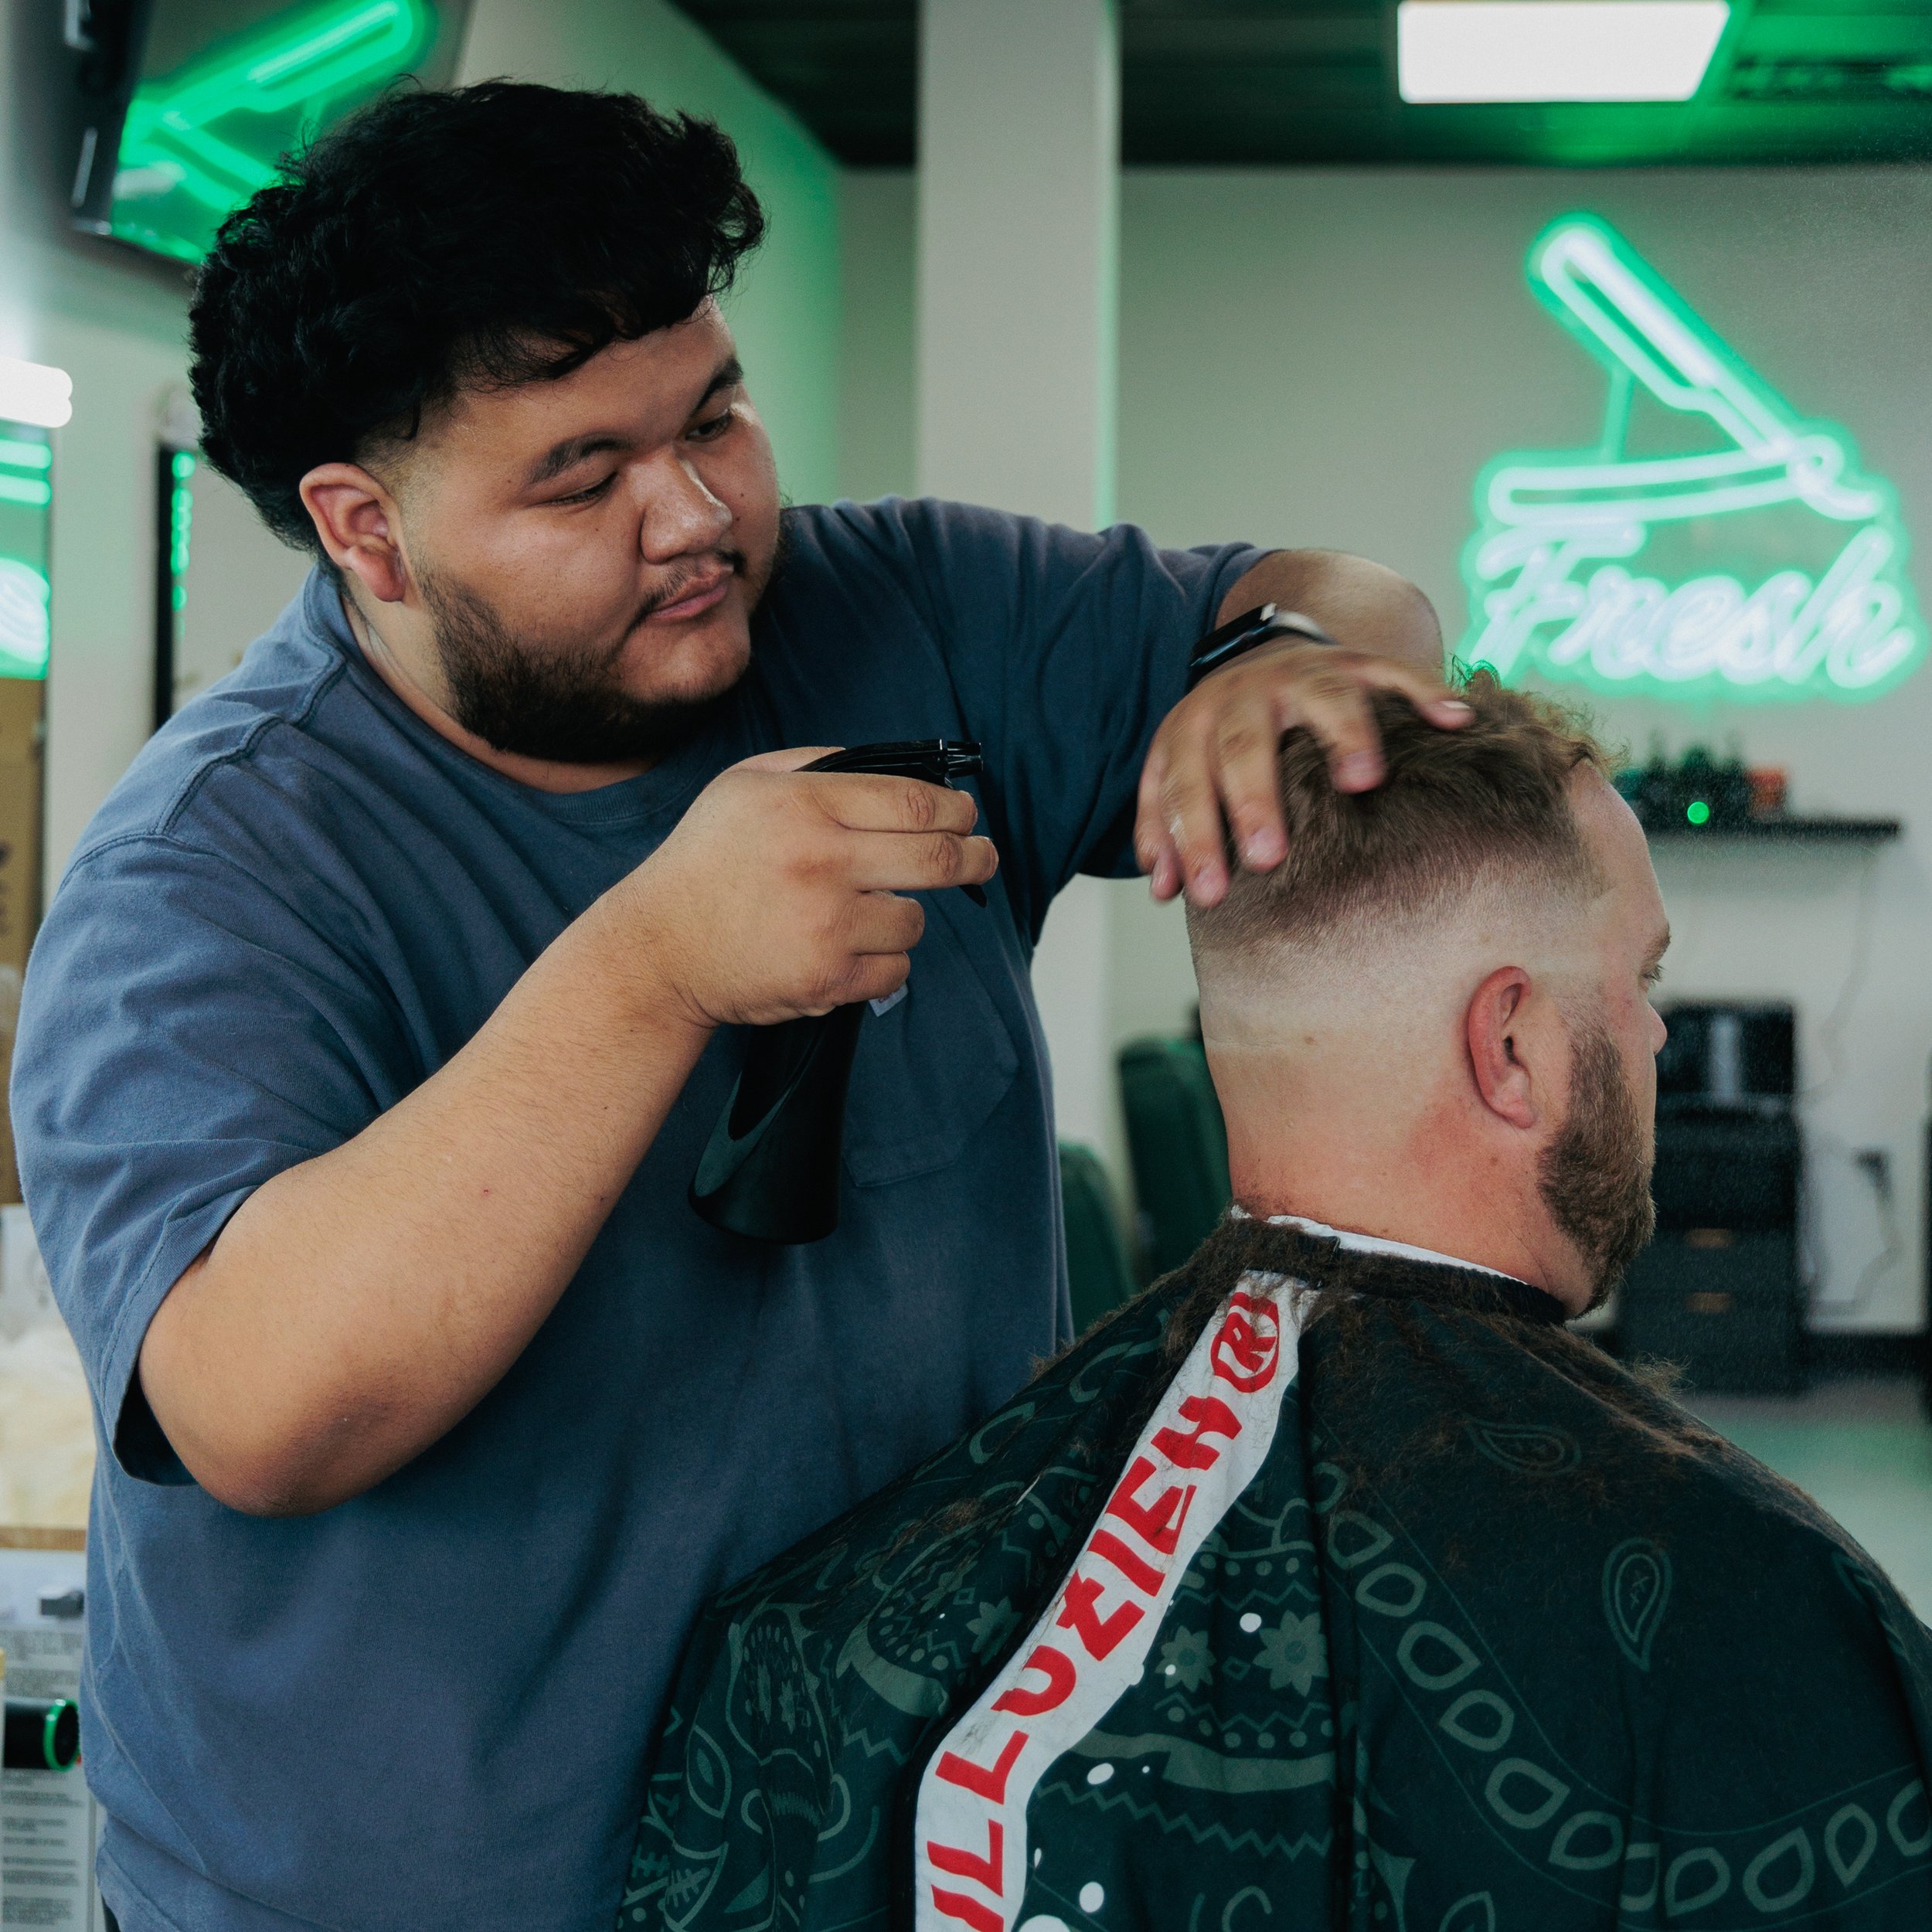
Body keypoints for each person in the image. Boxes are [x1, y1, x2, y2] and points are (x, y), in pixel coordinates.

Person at [9, 81, 1469, 1932]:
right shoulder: (210, 870)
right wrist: (649, 964)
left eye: (713, 416)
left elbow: (1352, 600)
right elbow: (256, 1406)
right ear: (367, 531)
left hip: (908, 1861)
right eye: (582, 477)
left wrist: (1281, 667)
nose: (696, 514)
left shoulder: (898, 611)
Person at [624, 676, 1932, 1932]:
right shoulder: (1762, 1620)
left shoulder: (813, 1635)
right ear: (1511, 1045)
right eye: (1638, 981)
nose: (1653, 1036)